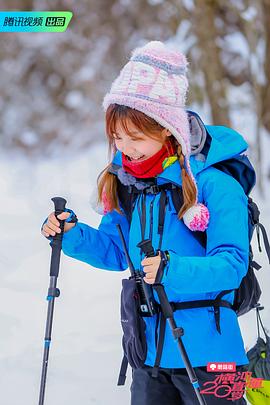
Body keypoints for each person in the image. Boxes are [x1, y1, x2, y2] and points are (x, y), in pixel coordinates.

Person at [41, 41, 249, 404]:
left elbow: (232, 265)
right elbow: (115, 251)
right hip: (148, 353)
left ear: (166, 128)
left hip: (214, 356)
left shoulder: (215, 184)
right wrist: (71, 235)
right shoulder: (125, 184)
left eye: (134, 137)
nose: (124, 147)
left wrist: (172, 268)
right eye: (117, 137)